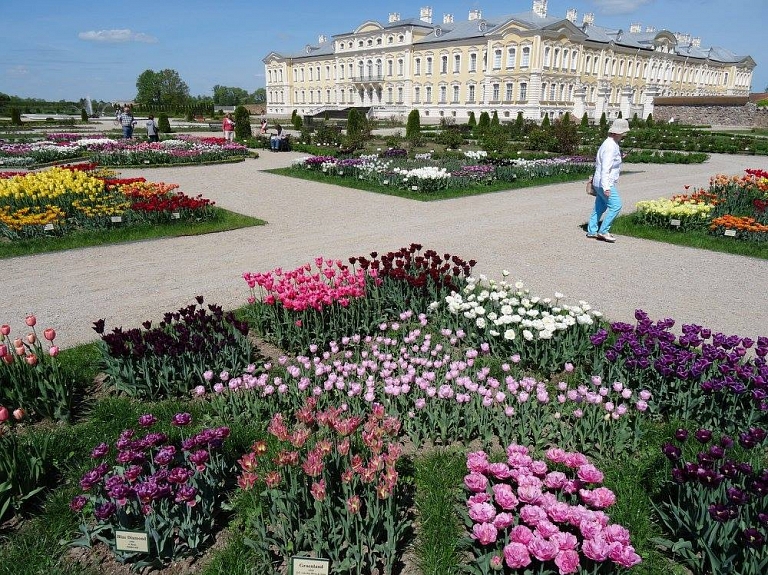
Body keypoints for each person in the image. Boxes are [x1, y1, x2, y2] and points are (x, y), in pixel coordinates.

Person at [586, 118, 630, 243]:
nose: (624, 135)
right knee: (616, 205)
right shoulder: (611, 146)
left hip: (599, 180)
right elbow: (606, 167)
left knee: (599, 206)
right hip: (605, 182)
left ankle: (592, 230)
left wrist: (620, 157)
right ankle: (603, 231)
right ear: (618, 133)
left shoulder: (609, 143)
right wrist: (606, 187)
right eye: (623, 133)